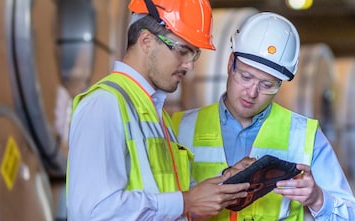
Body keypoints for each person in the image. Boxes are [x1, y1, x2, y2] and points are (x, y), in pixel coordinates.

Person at [66, 0, 252, 220]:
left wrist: (224, 183)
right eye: (183, 51)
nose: (190, 65)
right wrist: (186, 201)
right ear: (146, 41)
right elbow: (94, 211)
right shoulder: (104, 104)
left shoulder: (157, 113)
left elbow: (170, 201)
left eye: (194, 54)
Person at [172, 12, 355, 220]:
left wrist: (317, 198)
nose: (252, 93)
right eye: (246, 77)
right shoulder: (180, 127)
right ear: (230, 64)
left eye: (267, 85)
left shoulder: (303, 135)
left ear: (280, 84)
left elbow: (352, 216)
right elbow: (158, 208)